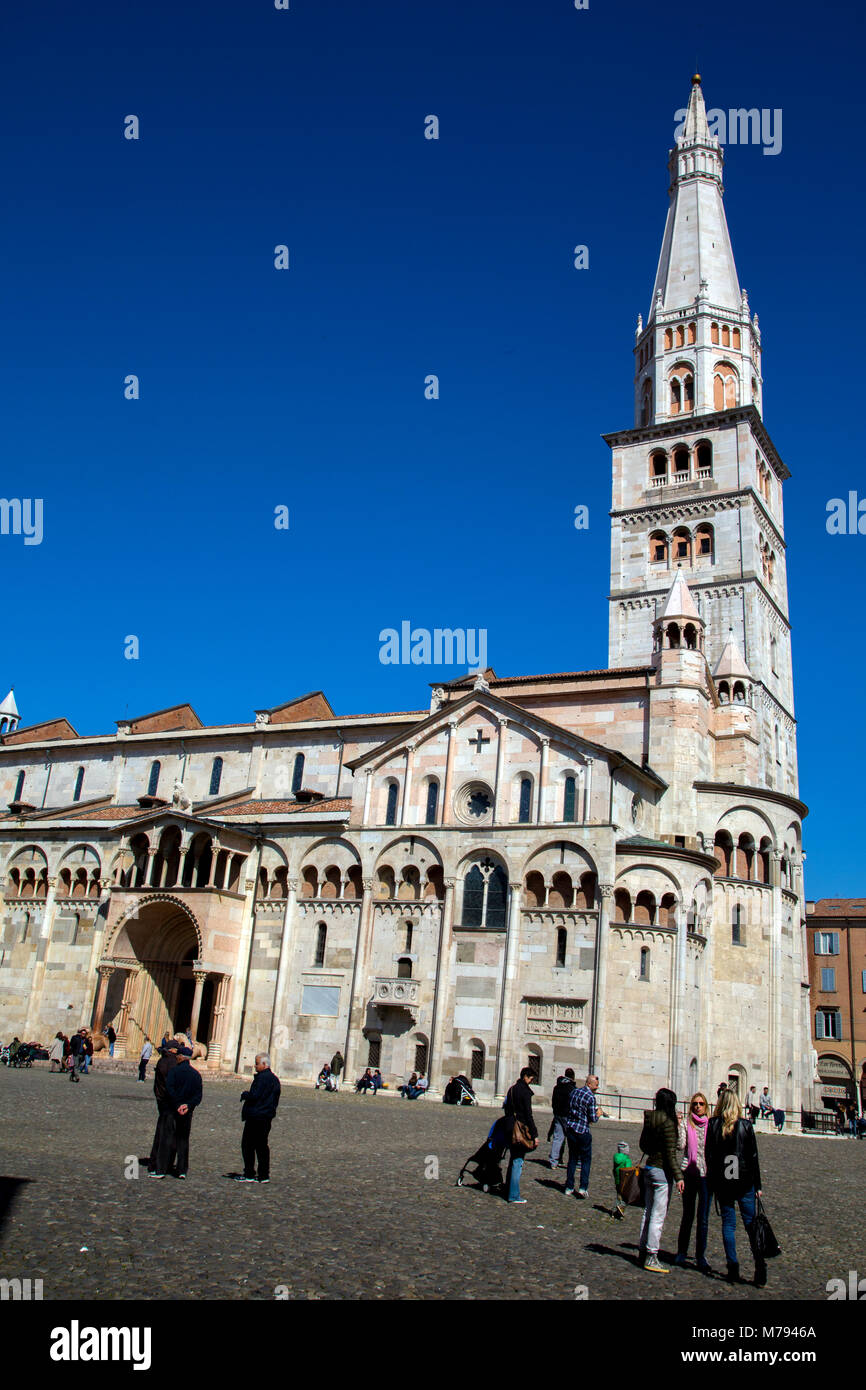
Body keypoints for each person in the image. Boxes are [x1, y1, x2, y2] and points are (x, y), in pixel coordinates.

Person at [706, 1088, 766, 1286]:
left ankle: (732, 1267)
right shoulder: (746, 1126)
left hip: (724, 1183)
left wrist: (713, 1181)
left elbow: (710, 1157)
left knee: (728, 1226)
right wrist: (757, 1185)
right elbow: (753, 1157)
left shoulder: (713, 1125)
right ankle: (760, 1266)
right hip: (745, 1183)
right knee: (751, 1225)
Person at [637, 1087, 685, 1274]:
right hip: (661, 1173)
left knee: (647, 1213)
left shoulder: (650, 1119)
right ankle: (652, 1256)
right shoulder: (668, 1123)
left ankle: (642, 1251)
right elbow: (671, 1155)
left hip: (648, 1168)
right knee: (658, 1216)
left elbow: (643, 1145)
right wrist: (679, 1177)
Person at [674, 1091, 711, 1273]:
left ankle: (700, 1256)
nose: (697, 1106)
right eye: (695, 1104)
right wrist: (678, 1125)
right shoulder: (686, 1124)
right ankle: (681, 1252)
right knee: (687, 1215)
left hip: (706, 1176)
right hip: (688, 1172)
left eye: (701, 1104)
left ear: (706, 1106)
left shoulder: (711, 1126)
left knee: (703, 1219)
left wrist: (730, 1176)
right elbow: (680, 1145)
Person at [235, 1052, 281, 1183]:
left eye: (257, 1063)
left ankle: (249, 1173)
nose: (255, 1066)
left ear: (264, 1064)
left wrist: (245, 1094)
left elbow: (255, 1095)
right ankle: (263, 1175)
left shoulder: (262, 1078)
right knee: (262, 1146)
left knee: (248, 1145)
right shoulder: (274, 1079)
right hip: (266, 1117)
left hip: (256, 1116)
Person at [160, 1053, 203, 1179]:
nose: (176, 1058)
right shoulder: (196, 1074)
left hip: (173, 1110)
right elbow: (198, 1095)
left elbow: (169, 1089)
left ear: (181, 1057)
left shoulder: (174, 1072)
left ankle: (164, 1167)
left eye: (178, 1056)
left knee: (169, 1138)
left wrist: (178, 1104)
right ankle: (182, 1170)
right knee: (183, 1140)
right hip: (187, 1112)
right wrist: (188, 1105)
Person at [502, 1067, 539, 1204]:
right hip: (520, 1129)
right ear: (525, 1077)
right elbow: (528, 1115)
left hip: (510, 1126)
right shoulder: (525, 1092)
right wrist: (534, 1134)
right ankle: (514, 1195)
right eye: (530, 1078)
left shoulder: (512, 1089)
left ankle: (508, 1189)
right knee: (518, 1161)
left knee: (513, 1159)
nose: (531, 1081)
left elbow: (505, 1107)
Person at [563, 1074, 603, 1198]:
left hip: (571, 1129)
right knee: (586, 1160)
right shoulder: (590, 1097)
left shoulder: (574, 1092)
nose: (597, 1088)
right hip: (582, 1131)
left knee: (572, 1159)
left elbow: (569, 1109)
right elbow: (592, 1118)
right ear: (589, 1084)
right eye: (596, 1086)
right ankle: (582, 1188)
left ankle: (569, 1187)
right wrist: (598, 1114)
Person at [149, 1039, 181, 1174]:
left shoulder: (161, 1061)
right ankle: (164, 1163)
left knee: (161, 1131)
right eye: (177, 1049)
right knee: (169, 1134)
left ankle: (154, 1161)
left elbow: (158, 1086)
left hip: (161, 1100)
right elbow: (173, 1085)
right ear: (172, 1050)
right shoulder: (173, 1064)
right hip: (170, 1102)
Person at [547, 1068, 576, 1169]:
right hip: (567, 1116)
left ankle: (553, 1162)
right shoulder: (572, 1088)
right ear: (572, 1077)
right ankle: (574, 1162)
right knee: (572, 1139)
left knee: (557, 1138)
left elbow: (553, 1101)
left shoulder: (557, 1087)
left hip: (557, 1115)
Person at [612, 1141, 631, 1219]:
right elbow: (628, 1170)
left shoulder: (615, 1157)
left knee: (618, 1195)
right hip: (624, 1181)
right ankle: (621, 1209)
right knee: (625, 1197)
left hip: (617, 1180)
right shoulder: (627, 1159)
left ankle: (614, 1211)